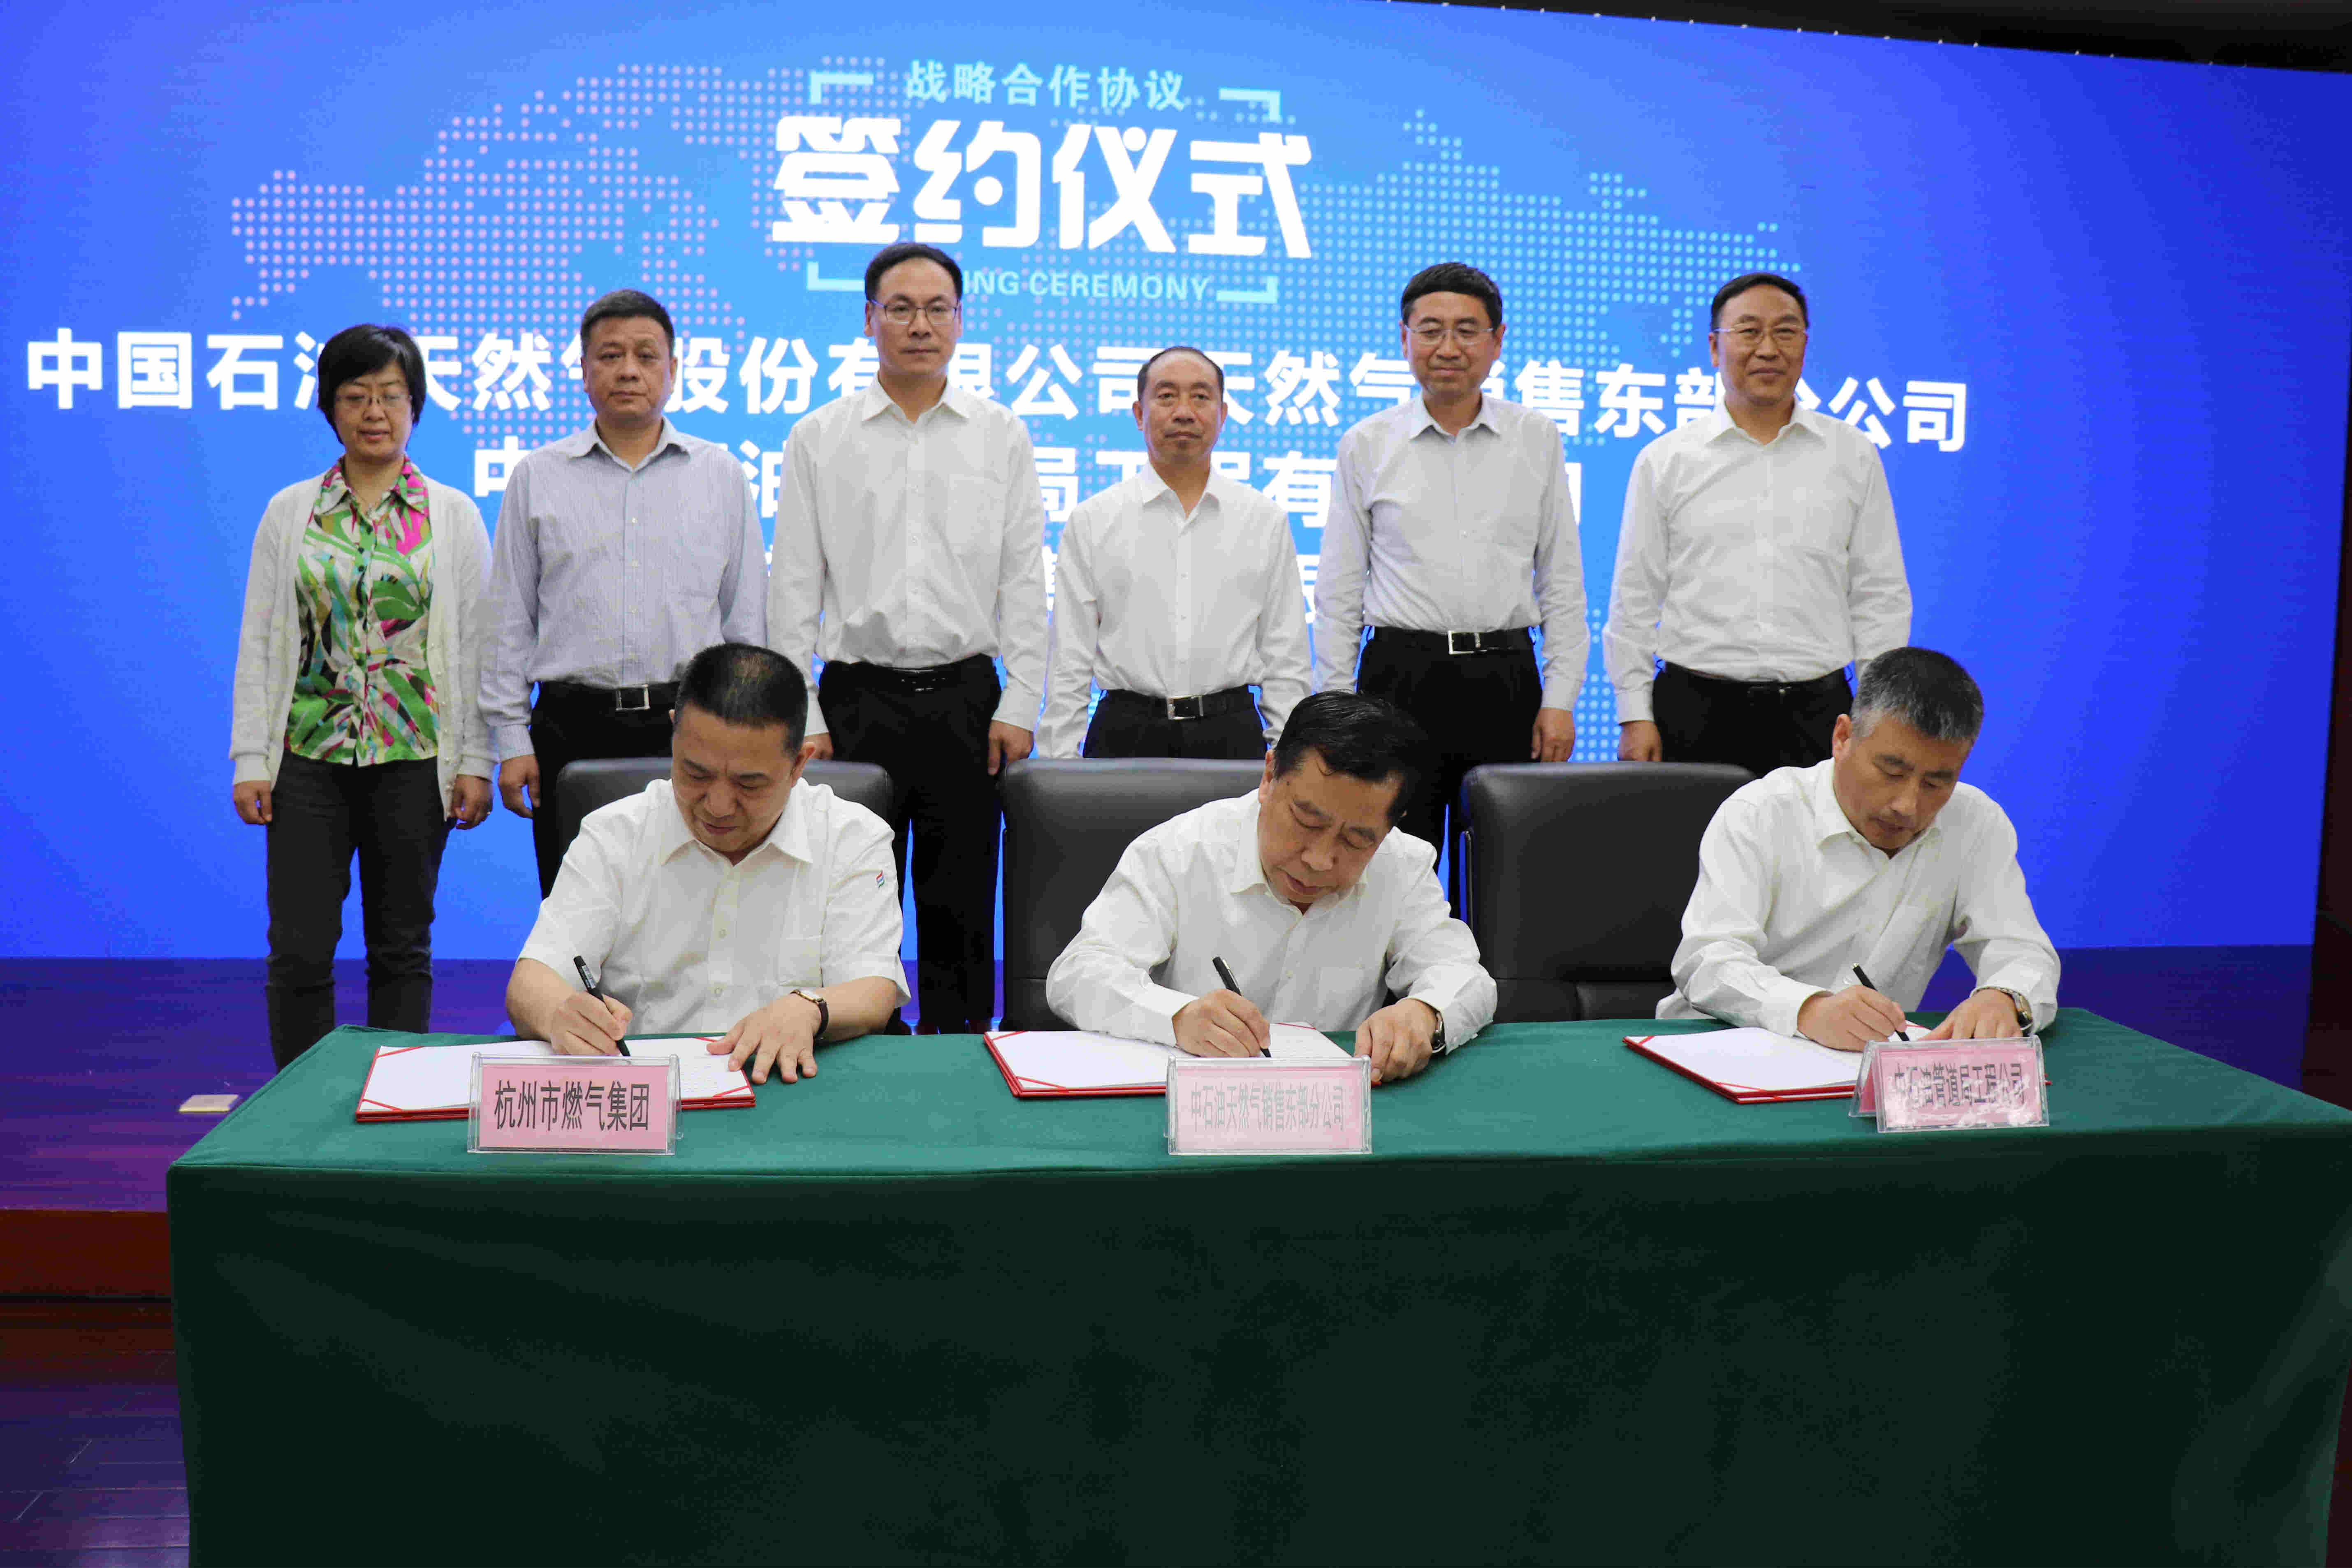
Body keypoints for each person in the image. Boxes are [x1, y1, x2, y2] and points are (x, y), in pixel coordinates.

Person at [769, 241, 1047, 1034]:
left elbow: (1024, 582)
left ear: (959, 320)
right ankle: (862, 1045)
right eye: (900, 309)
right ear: (870, 320)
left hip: (967, 699)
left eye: (935, 309)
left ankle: (959, 1051)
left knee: (963, 897)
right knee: (854, 892)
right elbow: (793, 590)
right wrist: (804, 714)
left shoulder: (1000, 434)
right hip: (855, 703)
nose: (919, 325)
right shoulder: (820, 436)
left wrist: (1020, 700)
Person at [229, 324, 493, 1068]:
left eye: (391, 396)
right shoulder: (291, 512)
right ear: (330, 408)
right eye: (355, 396)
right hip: (307, 756)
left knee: (401, 946)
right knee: (300, 947)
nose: (374, 412)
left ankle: (395, 1095)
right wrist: (251, 757)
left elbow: (477, 647)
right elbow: (261, 639)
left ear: (415, 407)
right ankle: (299, 1102)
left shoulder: (452, 515)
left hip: (415, 756)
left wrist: (476, 760)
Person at [508, 643, 907, 1086]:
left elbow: (873, 990)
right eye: (696, 774)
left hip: (791, 1084)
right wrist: (561, 1014)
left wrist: (809, 1007)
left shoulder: (852, 837)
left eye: (748, 784)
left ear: (798, 764)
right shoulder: (615, 833)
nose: (718, 806)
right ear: (674, 734)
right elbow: (532, 980)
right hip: (649, 1094)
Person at [1047, 692, 1497, 1084]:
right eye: (1307, 821)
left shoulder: (1402, 864)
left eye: (1356, 840)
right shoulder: (1179, 850)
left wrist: (1426, 1013)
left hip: (1336, 1115)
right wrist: (1177, 1016)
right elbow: (1078, 974)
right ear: (1268, 778)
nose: (1319, 859)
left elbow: (1466, 977)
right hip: (1193, 1106)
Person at [483, 288, 768, 896]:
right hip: (569, 728)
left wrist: (745, 736)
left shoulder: (718, 474)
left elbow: (746, 624)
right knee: (579, 910)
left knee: (693, 908)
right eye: (610, 356)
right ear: (584, 371)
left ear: (673, 369)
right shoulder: (538, 476)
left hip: (690, 728)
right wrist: (511, 739)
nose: (629, 370)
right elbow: (508, 622)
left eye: (646, 355)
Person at [1314, 261, 1587, 864]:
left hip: (1506, 679)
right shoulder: (1367, 443)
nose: (1448, 348)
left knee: (1502, 862)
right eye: (1430, 330)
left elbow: (1562, 581)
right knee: (1392, 861)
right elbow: (1338, 592)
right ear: (1404, 338)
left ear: (1497, 340)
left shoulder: (1535, 438)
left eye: (1466, 331)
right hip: (1399, 679)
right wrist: (1336, 710)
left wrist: (1560, 698)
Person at [1661, 647, 2058, 1051]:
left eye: (1935, 783)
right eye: (1891, 772)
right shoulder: (1760, 813)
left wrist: (2005, 997)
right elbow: (1707, 959)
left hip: (1860, 1066)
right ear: (1843, 737)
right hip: (1717, 1048)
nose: (1907, 805)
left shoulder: (1975, 823)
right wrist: (1807, 1009)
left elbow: (2020, 949)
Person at [1604, 271, 1912, 778]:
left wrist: (1876, 714)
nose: (1768, 349)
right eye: (1748, 332)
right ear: (1714, 347)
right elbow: (1634, 599)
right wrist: (1635, 714)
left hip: (1818, 714)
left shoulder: (1852, 455)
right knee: (1692, 835)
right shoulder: (1666, 460)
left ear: (1804, 345)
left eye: (1785, 332)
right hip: (1694, 712)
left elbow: (1880, 595)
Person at [1039, 345, 1310, 760]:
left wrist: (1290, 758)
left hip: (1230, 732)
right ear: (1139, 413)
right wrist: (1059, 760)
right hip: (1125, 732)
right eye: (1166, 396)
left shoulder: (1263, 520)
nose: (1184, 412)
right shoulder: (1094, 519)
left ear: (1223, 414)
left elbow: (1285, 656)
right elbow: (1069, 659)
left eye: (1200, 397)